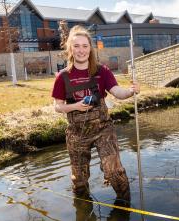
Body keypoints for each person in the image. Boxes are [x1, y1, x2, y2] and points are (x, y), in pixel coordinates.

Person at [51, 25, 139, 203]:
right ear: (70, 48)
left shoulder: (102, 71)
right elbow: (57, 106)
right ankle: (83, 210)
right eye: (76, 46)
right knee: (79, 181)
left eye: (85, 46)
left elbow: (117, 92)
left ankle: (125, 204)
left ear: (90, 48)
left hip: (103, 130)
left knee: (114, 171)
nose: (81, 50)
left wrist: (130, 91)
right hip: (77, 133)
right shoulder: (62, 76)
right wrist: (75, 106)